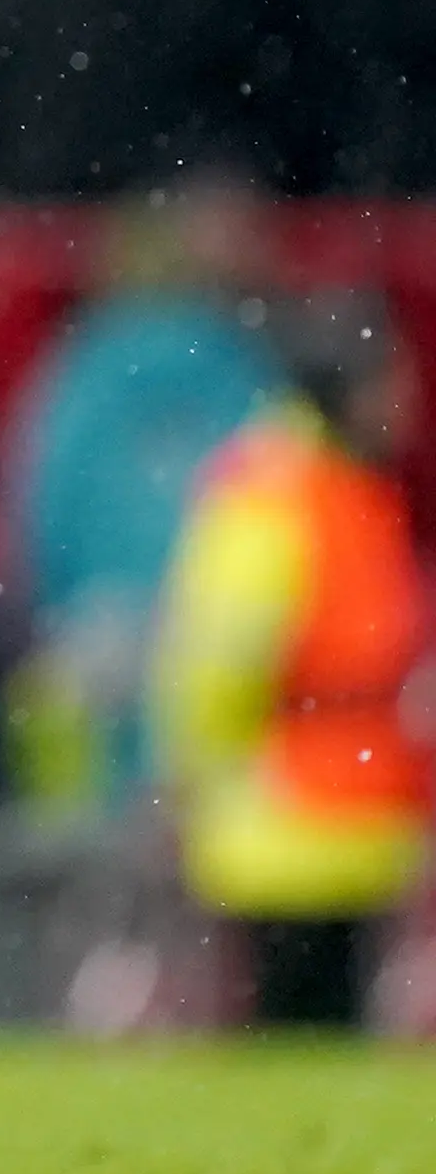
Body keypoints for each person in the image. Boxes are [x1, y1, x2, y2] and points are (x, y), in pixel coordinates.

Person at [150, 301, 431, 1029]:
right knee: (293, 1033)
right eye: (390, 383)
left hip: (347, 816)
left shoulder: (341, 485)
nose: (407, 401)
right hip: (285, 822)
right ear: (344, 390)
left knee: (317, 1046)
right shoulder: (278, 494)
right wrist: (195, 776)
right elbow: (219, 662)